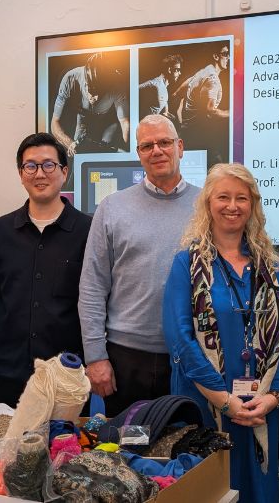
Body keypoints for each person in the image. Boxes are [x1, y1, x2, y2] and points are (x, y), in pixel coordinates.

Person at [163, 163, 279, 503]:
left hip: (260, 406)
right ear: (208, 203)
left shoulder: (271, 266)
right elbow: (180, 340)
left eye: (242, 197)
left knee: (258, 492)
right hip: (204, 403)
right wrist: (224, 401)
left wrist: (273, 397)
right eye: (223, 197)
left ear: (253, 205)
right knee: (209, 491)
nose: (232, 206)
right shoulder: (186, 264)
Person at [79, 114, 200, 416]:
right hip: (126, 360)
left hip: (191, 355)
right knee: (125, 452)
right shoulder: (112, 207)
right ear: (139, 154)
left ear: (180, 147)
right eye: (147, 146)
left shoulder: (207, 207)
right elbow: (92, 287)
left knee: (187, 452)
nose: (156, 151)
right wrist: (95, 357)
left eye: (164, 142)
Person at [0, 133, 92, 407]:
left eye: (48, 165)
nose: (39, 173)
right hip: (8, 370)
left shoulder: (88, 232)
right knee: (4, 447)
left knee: (66, 448)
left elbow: (96, 299)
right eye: (31, 166)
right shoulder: (0, 232)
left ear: (64, 172)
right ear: (21, 173)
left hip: (66, 373)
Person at [51, 51, 129, 154]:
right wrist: (71, 144)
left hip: (108, 120)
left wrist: (129, 151)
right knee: (79, 149)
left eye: (99, 90)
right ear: (85, 72)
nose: (94, 98)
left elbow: (124, 122)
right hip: (82, 116)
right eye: (90, 87)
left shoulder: (118, 83)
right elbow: (55, 122)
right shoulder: (70, 78)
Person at [175, 42, 230, 167]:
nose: (228, 57)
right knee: (219, 175)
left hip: (186, 135)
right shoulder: (213, 80)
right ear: (216, 56)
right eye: (225, 54)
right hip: (200, 138)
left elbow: (177, 94)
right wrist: (231, 112)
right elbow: (210, 110)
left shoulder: (202, 72)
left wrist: (180, 118)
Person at [138, 54, 182, 118]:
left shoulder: (164, 86)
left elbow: (162, 102)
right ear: (169, 70)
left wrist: (166, 112)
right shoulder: (155, 84)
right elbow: (133, 89)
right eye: (177, 69)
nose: (180, 73)